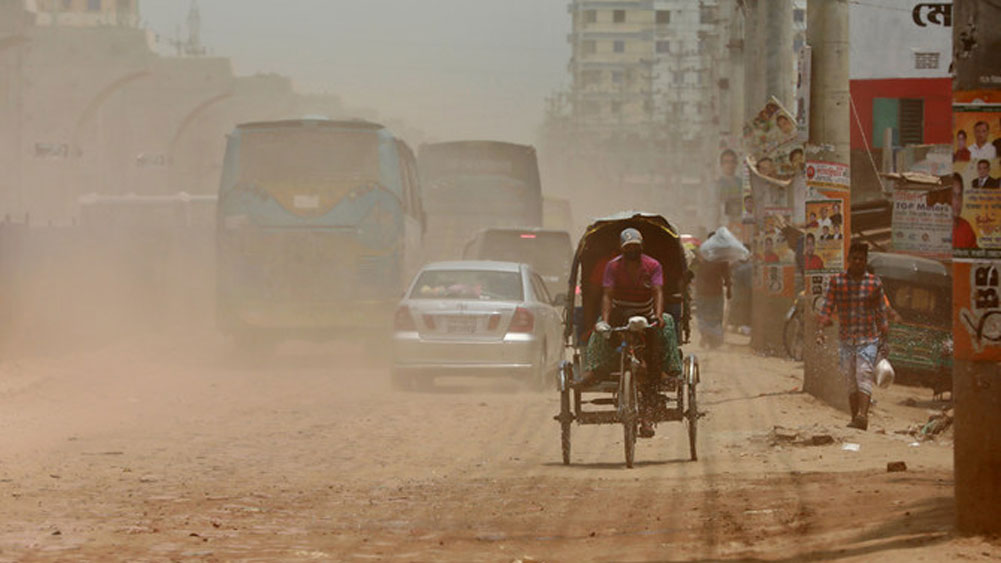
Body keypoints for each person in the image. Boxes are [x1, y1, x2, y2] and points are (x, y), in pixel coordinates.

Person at [576, 228, 682, 439]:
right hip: (620, 312)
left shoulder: (653, 266)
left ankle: (664, 372)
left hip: (645, 313)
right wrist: (605, 321)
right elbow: (607, 295)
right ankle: (596, 369)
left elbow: (658, 291)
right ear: (622, 249)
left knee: (665, 330)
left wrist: (659, 316)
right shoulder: (613, 266)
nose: (632, 251)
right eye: (628, 248)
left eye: (635, 247)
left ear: (640, 247)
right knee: (600, 329)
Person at [817, 242, 889, 431]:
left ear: (865, 262)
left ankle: (862, 416)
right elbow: (827, 307)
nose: (857, 262)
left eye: (861, 259)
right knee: (850, 379)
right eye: (854, 259)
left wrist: (885, 338)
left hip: (868, 338)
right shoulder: (837, 282)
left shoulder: (875, 283)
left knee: (863, 374)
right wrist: (821, 329)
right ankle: (854, 418)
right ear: (848, 260)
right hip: (846, 339)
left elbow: (881, 313)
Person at [695, 233, 732, 349]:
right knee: (715, 316)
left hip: (702, 290)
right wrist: (729, 289)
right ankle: (712, 339)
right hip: (715, 291)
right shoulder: (721, 257)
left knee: (703, 315)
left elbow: (693, 271)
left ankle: (706, 335)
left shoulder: (701, 254)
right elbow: (727, 276)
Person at [952, 173, 978, 250]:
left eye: (959, 195)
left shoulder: (966, 227)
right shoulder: (932, 226)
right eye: (953, 195)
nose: (957, 201)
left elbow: (976, 257)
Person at [718, 149, 742, 221]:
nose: (730, 165)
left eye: (732, 162)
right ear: (721, 164)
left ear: (736, 163)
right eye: (726, 162)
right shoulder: (717, 185)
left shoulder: (741, 183)